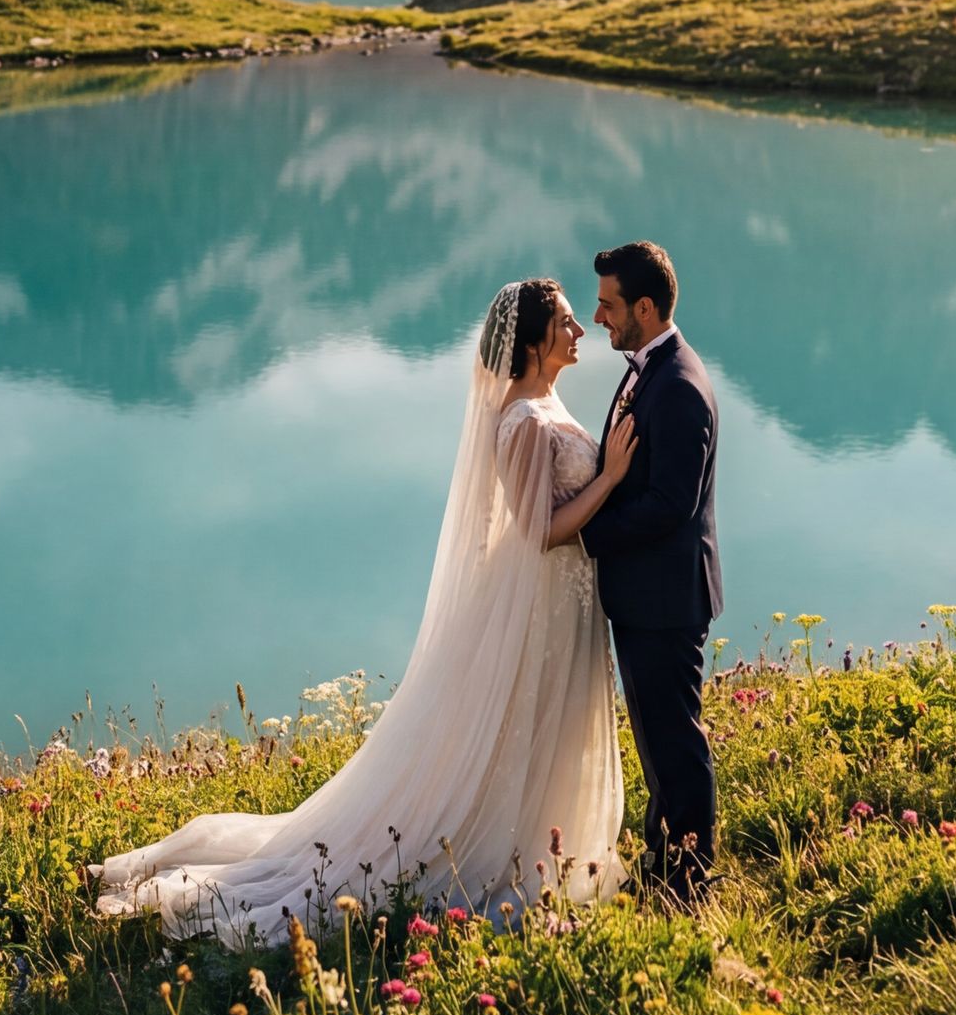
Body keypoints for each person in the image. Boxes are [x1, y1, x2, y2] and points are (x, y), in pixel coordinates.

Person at [94, 278, 635, 942]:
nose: (579, 333)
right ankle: (504, 847)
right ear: (531, 340)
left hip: (564, 604)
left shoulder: (546, 401)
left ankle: (542, 833)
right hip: (541, 606)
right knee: (521, 731)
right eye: (567, 323)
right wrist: (608, 478)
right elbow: (534, 531)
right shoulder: (520, 418)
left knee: (545, 728)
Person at [581, 239, 722, 902]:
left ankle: (692, 880)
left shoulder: (681, 384)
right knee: (657, 740)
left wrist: (590, 533)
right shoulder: (649, 368)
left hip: (666, 597)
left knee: (676, 741)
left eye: (609, 304)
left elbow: (672, 504)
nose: (599, 315)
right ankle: (663, 864)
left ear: (644, 304)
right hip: (646, 596)